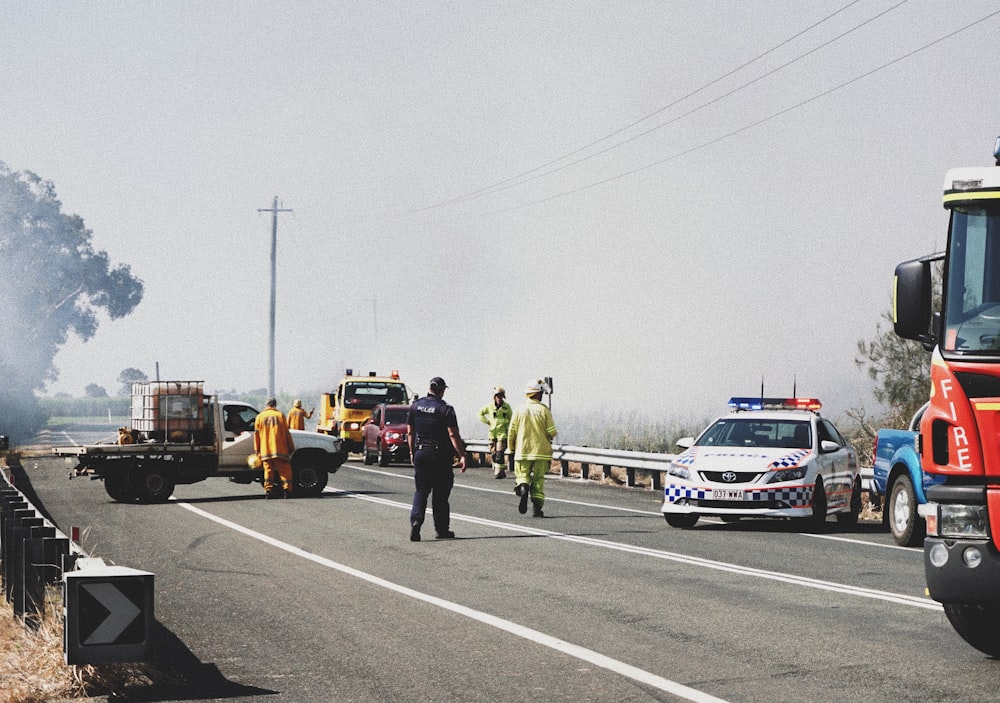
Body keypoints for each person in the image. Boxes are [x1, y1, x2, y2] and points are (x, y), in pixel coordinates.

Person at [406, 377, 466, 541]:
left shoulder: (415, 406)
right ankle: (441, 530)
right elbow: (453, 434)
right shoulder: (445, 409)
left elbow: (410, 432)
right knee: (440, 495)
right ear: (442, 390)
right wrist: (462, 455)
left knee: (421, 491)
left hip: (421, 453)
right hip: (440, 457)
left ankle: (416, 521)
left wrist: (412, 452)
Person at [508, 380, 557, 517]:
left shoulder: (519, 409)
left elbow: (511, 432)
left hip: (522, 451)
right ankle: (537, 508)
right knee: (538, 479)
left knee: (522, 475)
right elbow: (552, 431)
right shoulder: (544, 410)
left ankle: (523, 488)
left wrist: (511, 449)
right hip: (541, 452)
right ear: (539, 394)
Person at [254, 398, 295, 499]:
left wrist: (257, 450)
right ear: (275, 405)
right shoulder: (280, 415)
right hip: (280, 449)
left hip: (266, 450)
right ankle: (287, 490)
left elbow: (256, 436)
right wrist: (290, 447)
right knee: (284, 470)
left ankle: (268, 490)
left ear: (266, 405)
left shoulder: (260, 417)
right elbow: (286, 434)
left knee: (268, 471)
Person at [479, 386, 512, 479]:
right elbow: (480, 413)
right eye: (497, 396)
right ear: (494, 397)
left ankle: (498, 472)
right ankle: (501, 471)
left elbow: (512, 419)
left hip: (503, 434)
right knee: (493, 453)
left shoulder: (507, 407)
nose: (499, 398)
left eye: (501, 396)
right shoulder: (490, 407)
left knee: (499, 453)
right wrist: (487, 421)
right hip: (492, 434)